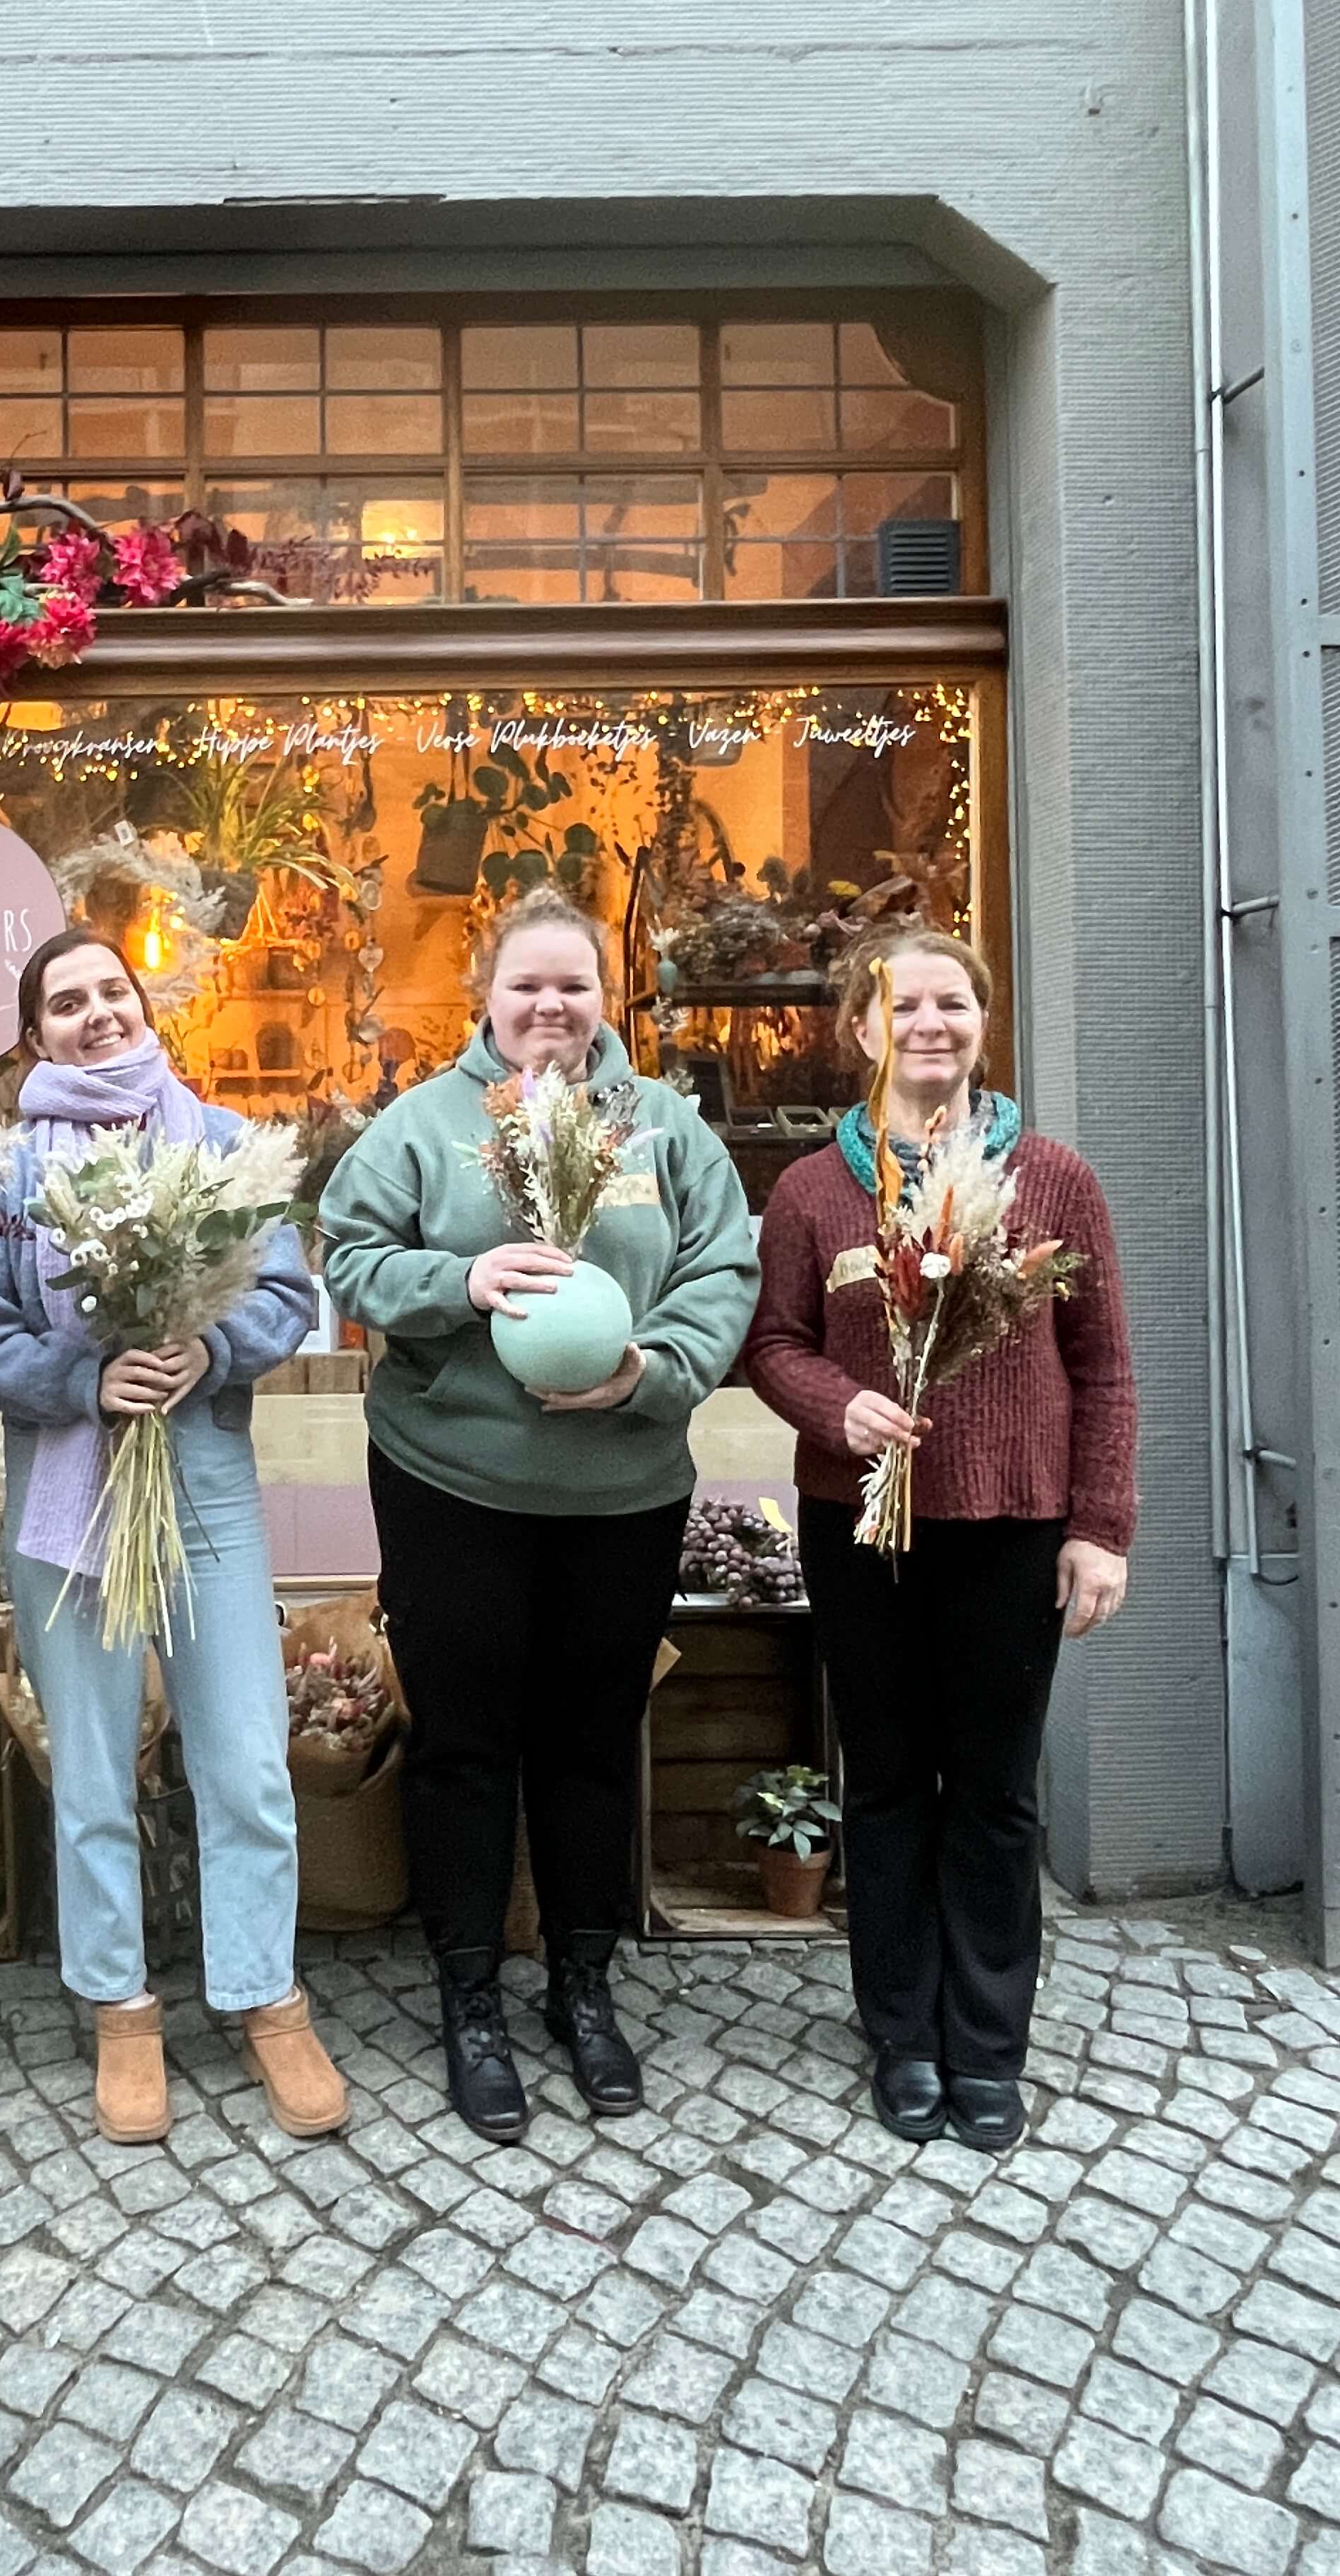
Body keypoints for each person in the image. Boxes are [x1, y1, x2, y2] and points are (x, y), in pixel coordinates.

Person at [318, 886, 760, 2143]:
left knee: (587, 1736)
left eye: (573, 985)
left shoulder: (662, 1128)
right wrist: (457, 1279)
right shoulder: (424, 1127)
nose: (549, 1006)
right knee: (463, 1743)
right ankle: (469, 1994)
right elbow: (345, 1253)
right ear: (488, 999)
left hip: (621, 1487)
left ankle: (582, 1981)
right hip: (452, 1480)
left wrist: (649, 1373)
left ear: (606, 999)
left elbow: (722, 1271)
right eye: (527, 986)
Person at [0, 931, 347, 2148]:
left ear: (142, 1002)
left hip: (205, 1478)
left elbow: (285, 1295)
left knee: (243, 1760)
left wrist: (205, 1352)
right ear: (35, 1036)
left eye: (110, 992)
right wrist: (84, 1377)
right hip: (67, 1496)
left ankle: (266, 1998)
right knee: (96, 1766)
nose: (96, 1016)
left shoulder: (220, 1146)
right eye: (66, 1004)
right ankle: (122, 2007)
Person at [744, 924, 1136, 2155]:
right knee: (891, 1779)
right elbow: (772, 1345)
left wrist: (1101, 1528)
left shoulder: (1056, 1180)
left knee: (998, 1789)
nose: (930, 1024)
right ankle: (902, 2032)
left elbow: (1106, 1369)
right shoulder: (815, 1190)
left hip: (1012, 1527)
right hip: (862, 1526)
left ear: (981, 1021)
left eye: (953, 1003)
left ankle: (988, 2041)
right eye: (904, 1005)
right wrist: (834, 1404)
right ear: (864, 1026)